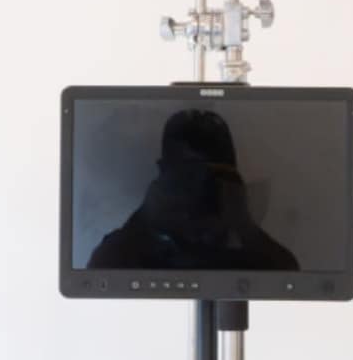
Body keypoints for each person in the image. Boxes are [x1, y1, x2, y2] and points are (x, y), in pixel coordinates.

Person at [86, 106, 297, 274]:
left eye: (214, 176)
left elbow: (289, 274)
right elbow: (100, 270)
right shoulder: (140, 244)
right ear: (165, 173)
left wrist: (244, 225)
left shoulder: (245, 251)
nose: (201, 188)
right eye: (188, 174)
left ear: (233, 180)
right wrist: (147, 215)